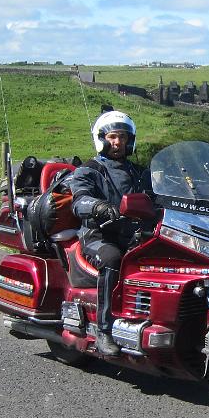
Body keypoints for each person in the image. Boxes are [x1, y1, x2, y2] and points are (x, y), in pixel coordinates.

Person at [68, 110, 151, 356]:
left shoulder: (139, 173)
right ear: (102, 138)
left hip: (133, 234)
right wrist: (98, 206)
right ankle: (104, 330)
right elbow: (78, 202)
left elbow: (157, 198)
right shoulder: (88, 170)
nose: (118, 143)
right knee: (113, 259)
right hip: (97, 236)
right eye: (113, 137)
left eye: (123, 137)